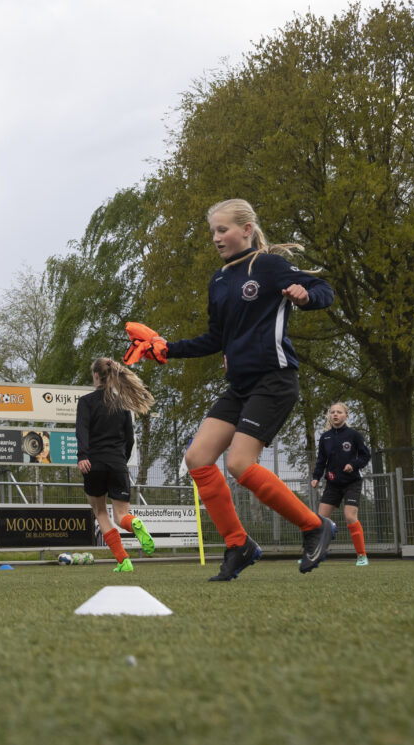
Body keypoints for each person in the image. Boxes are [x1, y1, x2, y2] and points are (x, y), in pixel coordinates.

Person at [125, 198, 338, 581]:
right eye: (213, 232)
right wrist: (166, 348)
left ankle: (314, 526)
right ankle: (239, 545)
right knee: (198, 458)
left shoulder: (269, 267)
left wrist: (307, 298)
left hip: (274, 379)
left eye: (223, 230)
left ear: (246, 229)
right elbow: (215, 339)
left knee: (240, 463)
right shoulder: (220, 280)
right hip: (239, 386)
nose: (216, 238)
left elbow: (323, 289)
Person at [75, 356, 157, 572]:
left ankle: (123, 560)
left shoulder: (86, 402)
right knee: (122, 517)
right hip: (118, 464)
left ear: (95, 376)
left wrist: (83, 455)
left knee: (100, 512)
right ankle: (135, 524)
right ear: (111, 377)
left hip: (94, 464)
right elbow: (129, 440)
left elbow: (81, 430)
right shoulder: (122, 405)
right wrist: (122, 459)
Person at [311, 402, 372, 566]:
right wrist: (316, 477)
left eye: (339, 412)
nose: (335, 415)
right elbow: (321, 461)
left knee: (350, 516)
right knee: (320, 520)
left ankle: (361, 555)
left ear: (346, 416)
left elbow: (366, 456)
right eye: (332, 412)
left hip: (352, 482)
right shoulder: (325, 437)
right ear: (329, 416)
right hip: (332, 483)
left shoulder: (354, 435)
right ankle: (314, 554)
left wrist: (353, 465)